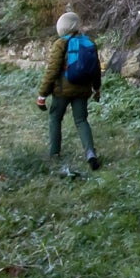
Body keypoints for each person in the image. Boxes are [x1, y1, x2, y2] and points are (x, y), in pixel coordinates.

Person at [36, 11, 102, 170]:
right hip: (83, 90)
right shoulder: (88, 43)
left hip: (62, 92)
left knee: (55, 118)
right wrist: (96, 88)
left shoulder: (61, 43)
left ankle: (54, 153)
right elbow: (96, 69)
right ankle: (90, 153)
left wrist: (42, 94)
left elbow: (52, 71)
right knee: (81, 120)